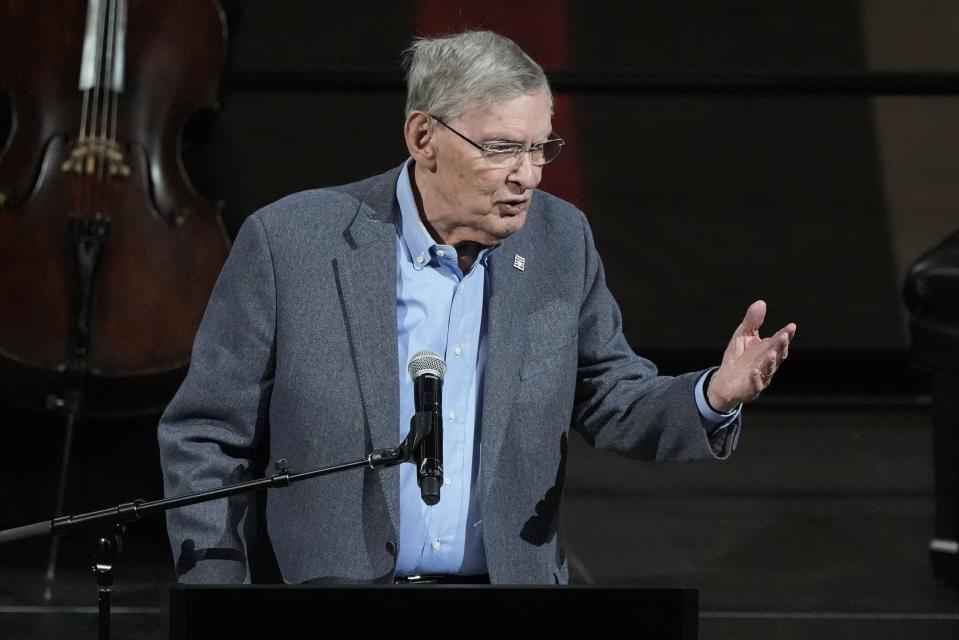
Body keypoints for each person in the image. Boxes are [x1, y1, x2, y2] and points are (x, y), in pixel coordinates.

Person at [158, 30, 795, 585]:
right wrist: (218, 596)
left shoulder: (559, 241)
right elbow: (205, 435)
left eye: (541, 147)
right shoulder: (291, 243)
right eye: (501, 149)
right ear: (422, 136)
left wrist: (713, 395)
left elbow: (610, 394)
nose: (529, 175)